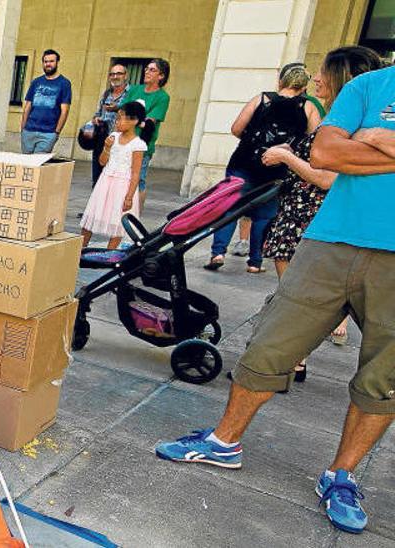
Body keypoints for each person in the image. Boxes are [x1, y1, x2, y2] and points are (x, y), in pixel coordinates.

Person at [155, 48, 395, 536]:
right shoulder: (369, 87)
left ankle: (341, 476)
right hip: (329, 242)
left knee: (385, 376)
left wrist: (377, 142)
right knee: (270, 344)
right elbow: (327, 153)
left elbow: (342, 157)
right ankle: (225, 442)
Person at [259, 49, 382, 379]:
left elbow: (327, 176)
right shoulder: (337, 118)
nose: (315, 77)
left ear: (341, 76)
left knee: (298, 304)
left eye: (322, 72)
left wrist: (286, 158)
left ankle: (291, 360)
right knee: (297, 301)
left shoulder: (353, 120)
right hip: (300, 213)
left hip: (310, 217)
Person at [205, 63, 319, 274]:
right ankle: (255, 262)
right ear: (304, 86)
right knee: (264, 216)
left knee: (230, 206)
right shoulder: (308, 107)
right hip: (278, 168)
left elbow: (236, 128)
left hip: (244, 162)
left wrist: (252, 143)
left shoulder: (261, 99)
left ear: (281, 81)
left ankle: (218, 253)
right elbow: (314, 141)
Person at [80, 101, 149, 250]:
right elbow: (102, 162)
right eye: (117, 118)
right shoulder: (113, 137)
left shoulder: (138, 145)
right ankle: (80, 247)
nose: (118, 122)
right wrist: (106, 148)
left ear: (134, 121)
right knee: (93, 214)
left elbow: (136, 173)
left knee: (118, 221)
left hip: (123, 185)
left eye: (122, 118)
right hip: (106, 181)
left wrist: (130, 196)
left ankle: (109, 254)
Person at [119, 58, 170, 207]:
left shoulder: (162, 97)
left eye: (152, 70)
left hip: (142, 144)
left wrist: (136, 120)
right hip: (124, 140)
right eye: (146, 69)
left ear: (161, 76)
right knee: (121, 178)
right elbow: (123, 112)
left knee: (138, 179)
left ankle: (135, 215)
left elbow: (149, 123)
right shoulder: (134, 90)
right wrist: (139, 120)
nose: (147, 72)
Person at [20, 49, 72, 154]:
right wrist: (23, 128)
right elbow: (28, 107)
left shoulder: (64, 83)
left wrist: (56, 132)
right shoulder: (36, 82)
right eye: (45, 61)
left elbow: (64, 111)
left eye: (51, 61)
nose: (48, 64)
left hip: (48, 133)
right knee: (26, 164)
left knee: (38, 164)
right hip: (29, 130)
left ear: (57, 62)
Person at [84, 64, 129, 185]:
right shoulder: (106, 94)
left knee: (113, 177)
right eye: (112, 74)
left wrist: (117, 109)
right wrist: (96, 119)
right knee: (97, 176)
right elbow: (97, 114)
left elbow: (132, 116)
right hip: (101, 140)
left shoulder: (131, 94)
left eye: (119, 73)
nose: (115, 76)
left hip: (119, 141)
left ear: (125, 76)